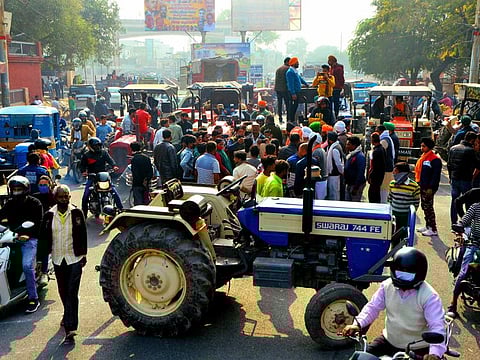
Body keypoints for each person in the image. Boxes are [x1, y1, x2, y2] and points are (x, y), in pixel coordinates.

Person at [342, 247, 446, 360]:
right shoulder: (387, 285)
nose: (402, 278)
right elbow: (373, 307)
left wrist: (434, 354)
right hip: (388, 341)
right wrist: (357, 324)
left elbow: (437, 327)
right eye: (400, 273)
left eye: (408, 275)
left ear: (419, 274)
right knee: (361, 357)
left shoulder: (429, 296)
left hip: (417, 348)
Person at [39, 185, 87, 345]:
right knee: (63, 291)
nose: (65, 200)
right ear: (55, 198)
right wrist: (41, 260)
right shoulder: (48, 216)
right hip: (58, 259)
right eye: (61, 197)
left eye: (67, 197)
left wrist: (83, 255)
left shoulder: (76, 213)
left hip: (74, 258)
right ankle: (68, 314)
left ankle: (70, 329)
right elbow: (44, 238)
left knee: (72, 292)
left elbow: (82, 234)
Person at [0, 176, 43, 313]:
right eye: (14, 190)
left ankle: (33, 298)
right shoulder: (9, 204)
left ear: (25, 190)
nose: (16, 192)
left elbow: (38, 223)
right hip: (11, 239)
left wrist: (26, 234)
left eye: (19, 189)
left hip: (30, 239)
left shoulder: (35, 203)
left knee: (26, 265)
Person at [448, 201, 480, 317]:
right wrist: (460, 225)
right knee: (464, 272)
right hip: (475, 244)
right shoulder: (475, 207)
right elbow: (463, 221)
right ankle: (453, 304)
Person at [79, 137, 123, 220]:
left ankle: (121, 210)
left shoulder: (103, 153)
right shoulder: (87, 155)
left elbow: (110, 160)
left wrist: (114, 166)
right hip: (92, 177)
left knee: (114, 192)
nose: (97, 147)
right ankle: (83, 214)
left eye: (98, 145)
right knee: (86, 195)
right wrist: (83, 171)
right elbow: (82, 165)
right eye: (95, 146)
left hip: (104, 177)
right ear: (91, 146)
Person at [448, 131, 478, 226]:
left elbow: (449, 165)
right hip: (466, 179)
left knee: (455, 201)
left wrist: (450, 176)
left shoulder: (453, 148)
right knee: (468, 202)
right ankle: (466, 223)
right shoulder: (470, 151)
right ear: (472, 141)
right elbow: (477, 164)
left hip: (454, 178)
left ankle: (454, 223)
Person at [415, 137, 442, 237]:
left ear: (429, 147)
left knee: (429, 208)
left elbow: (435, 176)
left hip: (429, 188)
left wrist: (431, 187)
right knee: (424, 206)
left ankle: (433, 228)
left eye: (424, 146)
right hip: (422, 185)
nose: (421, 148)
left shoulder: (434, 160)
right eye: (421, 146)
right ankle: (427, 226)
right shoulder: (424, 157)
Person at [388, 162, 420, 246]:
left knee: (404, 236)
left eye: (395, 171)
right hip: (394, 215)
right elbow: (390, 198)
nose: (393, 173)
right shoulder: (392, 184)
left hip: (406, 216)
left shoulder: (414, 186)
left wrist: (411, 214)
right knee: (394, 236)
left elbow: (416, 202)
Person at [130, 141, 153, 205]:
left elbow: (135, 173)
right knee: (146, 200)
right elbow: (150, 171)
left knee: (138, 202)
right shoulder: (146, 158)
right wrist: (146, 180)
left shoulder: (134, 159)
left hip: (137, 184)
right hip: (146, 184)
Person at [286, 57, 308, 124]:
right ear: (293, 63)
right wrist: (293, 93)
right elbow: (290, 84)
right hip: (293, 93)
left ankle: (293, 120)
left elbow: (300, 79)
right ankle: (291, 120)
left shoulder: (295, 71)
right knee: (292, 107)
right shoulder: (290, 72)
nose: (298, 64)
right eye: (297, 63)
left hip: (297, 92)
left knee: (295, 107)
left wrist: (306, 84)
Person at [344, 136, 366, 202]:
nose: (346, 146)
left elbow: (360, 173)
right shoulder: (351, 155)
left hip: (355, 186)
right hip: (350, 184)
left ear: (354, 145)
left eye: (348, 144)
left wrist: (356, 188)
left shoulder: (360, 157)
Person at [377, 125, 395, 203]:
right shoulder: (387, 139)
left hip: (385, 169)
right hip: (388, 167)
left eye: (377, 130)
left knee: (384, 190)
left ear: (380, 131)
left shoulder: (384, 141)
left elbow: (380, 155)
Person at [325, 131, 344, 201]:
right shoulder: (333, 147)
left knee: (334, 195)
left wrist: (341, 172)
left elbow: (338, 164)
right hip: (332, 176)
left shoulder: (335, 149)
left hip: (334, 176)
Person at [368, 132, 386, 203]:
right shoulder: (382, 149)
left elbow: (374, 166)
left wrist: (370, 176)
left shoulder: (376, 151)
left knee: (373, 195)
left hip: (376, 177)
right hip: (380, 176)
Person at [274, 57, 291, 123]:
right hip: (285, 89)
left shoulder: (278, 69)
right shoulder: (288, 69)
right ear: (287, 62)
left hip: (278, 89)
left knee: (280, 103)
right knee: (287, 104)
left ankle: (280, 117)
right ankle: (288, 118)